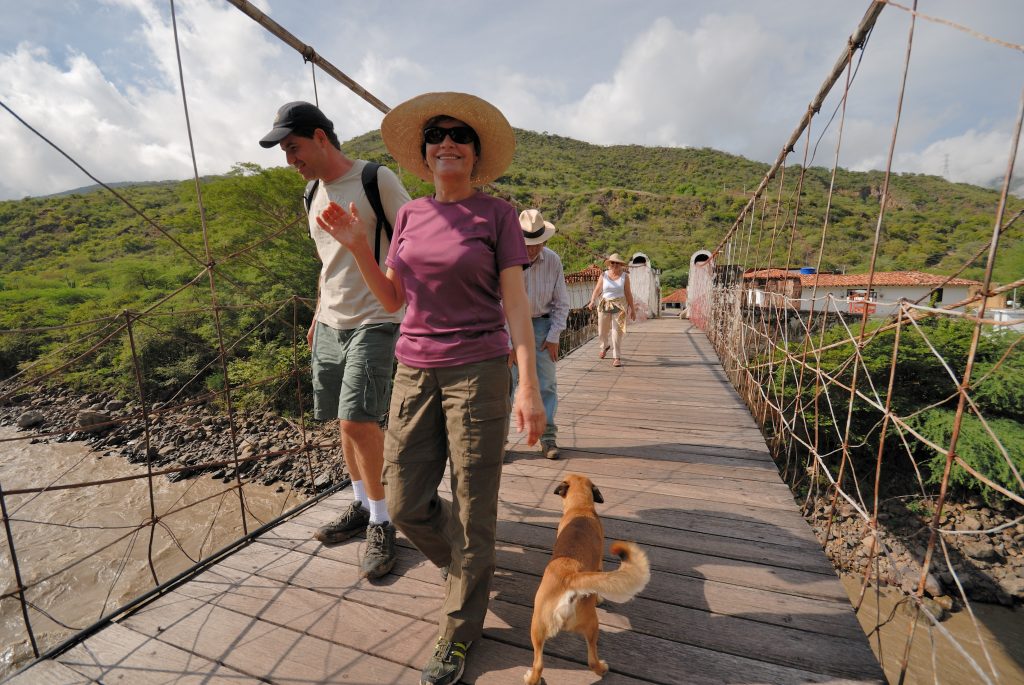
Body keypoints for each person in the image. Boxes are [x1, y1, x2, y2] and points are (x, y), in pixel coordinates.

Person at [314, 91, 545, 685]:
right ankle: (468, 567)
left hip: (480, 367)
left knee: (475, 504)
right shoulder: (412, 215)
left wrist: (528, 387)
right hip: (414, 366)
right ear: (424, 153)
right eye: (436, 135)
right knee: (407, 499)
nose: (447, 142)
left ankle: (459, 631)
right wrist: (359, 248)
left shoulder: (498, 215)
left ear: (475, 154)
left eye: (459, 135)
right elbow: (393, 299)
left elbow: (516, 304)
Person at [259, 101, 411, 579]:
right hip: (329, 321)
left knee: (357, 420)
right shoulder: (310, 194)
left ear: (321, 137)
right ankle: (361, 506)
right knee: (340, 423)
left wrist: (400, 296)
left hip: (376, 316)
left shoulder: (375, 179)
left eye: (294, 147)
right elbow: (328, 260)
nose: (290, 159)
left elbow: (412, 241)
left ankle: (385, 524)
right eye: (285, 150)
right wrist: (318, 310)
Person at [511, 209, 569, 460]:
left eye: (537, 243)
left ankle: (548, 439)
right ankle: (499, 440)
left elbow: (561, 303)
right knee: (506, 384)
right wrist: (506, 342)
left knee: (547, 384)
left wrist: (554, 335)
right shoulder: (506, 261)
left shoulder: (553, 261)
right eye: (527, 244)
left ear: (544, 241)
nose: (532, 249)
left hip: (543, 326)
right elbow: (497, 302)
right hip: (511, 326)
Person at [587, 253, 636, 367]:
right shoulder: (603, 275)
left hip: (620, 306)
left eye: (617, 263)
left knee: (616, 332)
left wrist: (632, 309)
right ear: (609, 264)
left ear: (621, 265)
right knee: (602, 330)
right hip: (605, 305)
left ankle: (616, 357)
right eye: (613, 262)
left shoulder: (625, 276)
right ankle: (604, 346)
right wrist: (592, 301)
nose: (615, 265)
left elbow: (628, 294)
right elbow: (597, 290)